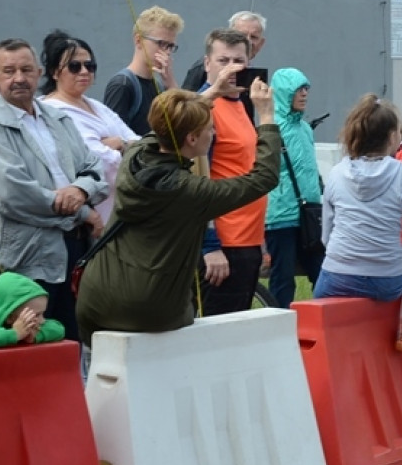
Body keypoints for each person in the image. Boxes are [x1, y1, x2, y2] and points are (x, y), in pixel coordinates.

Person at [74, 82, 280, 343]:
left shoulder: (136, 154)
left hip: (96, 298)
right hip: (150, 310)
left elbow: (164, 126)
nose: (214, 132)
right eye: (209, 129)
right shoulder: (190, 192)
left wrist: (203, 98)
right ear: (192, 139)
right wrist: (267, 117)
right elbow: (263, 179)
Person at [0, 38, 107, 342]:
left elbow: (95, 166)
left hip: (75, 250)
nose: (19, 78)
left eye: (26, 70)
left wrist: (81, 191)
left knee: (73, 342)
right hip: (26, 260)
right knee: (34, 350)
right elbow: (11, 195)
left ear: (39, 72)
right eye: (9, 71)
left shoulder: (58, 118)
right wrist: (82, 210)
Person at [314, 95, 402, 300]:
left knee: (314, 327)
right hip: (387, 278)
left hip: (338, 273)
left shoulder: (336, 173)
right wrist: (397, 256)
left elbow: (327, 237)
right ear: (392, 136)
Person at [196, 28, 268, 315]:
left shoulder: (240, 103)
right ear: (206, 64)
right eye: (223, 60)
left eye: (238, 61)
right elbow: (196, 180)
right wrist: (209, 245)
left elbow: (245, 167)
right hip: (223, 244)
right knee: (215, 338)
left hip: (247, 240)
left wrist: (259, 239)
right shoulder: (204, 108)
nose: (231, 68)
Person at [39, 31, 139, 224]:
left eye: (90, 65)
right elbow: (101, 162)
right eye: (74, 66)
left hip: (121, 213)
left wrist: (120, 144)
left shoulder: (95, 105)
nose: (84, 71)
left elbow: (138, 142)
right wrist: (119, 147)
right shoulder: (52, 111)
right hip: (89, 218)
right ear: (54, 72)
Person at [264, 68, 323, 307]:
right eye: (298, 88)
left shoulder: (305, 129)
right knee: (283, 278)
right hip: (281, 216)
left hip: (309, 215)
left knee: (321, 274)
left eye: (306, 88)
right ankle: (278, 326)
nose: (304, 93)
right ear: (284, 92)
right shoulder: (270, 128)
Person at [103, 6, 184, 135]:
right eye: (161, 43)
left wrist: (171, 83)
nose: (167, 52)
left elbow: (183, 124)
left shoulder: (160, 86)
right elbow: (115, 137)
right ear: (138, 40)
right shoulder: (122, 85)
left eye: (170, 46)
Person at [184, 11, 267, 123]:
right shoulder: (202, 68)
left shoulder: (249, 72)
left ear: (261, 43)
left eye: (254, 37)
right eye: (241, 35)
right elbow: (185, 104)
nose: (248, 41)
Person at [0, 271, 64, 347]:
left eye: (42, 313)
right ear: (10, 317)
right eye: (36, 315)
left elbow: (59, 329)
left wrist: (36, 336)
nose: (42, 320)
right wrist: (15, 334)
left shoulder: (36, 325)